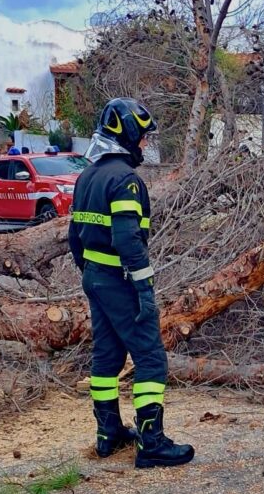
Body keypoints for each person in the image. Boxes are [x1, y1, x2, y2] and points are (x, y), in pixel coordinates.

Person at [68, 98, 194, 469]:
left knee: (107, 356)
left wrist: (91, 273)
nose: (145, 144)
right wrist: (142, 287)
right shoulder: (126, 181)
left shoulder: (87, 176)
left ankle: (108, 434)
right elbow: (127, 239)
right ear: (127, 134)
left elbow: (74, 236)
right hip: (121, 281)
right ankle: (151, 442)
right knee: (151, 357)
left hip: (96, 278)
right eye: (142, 137)